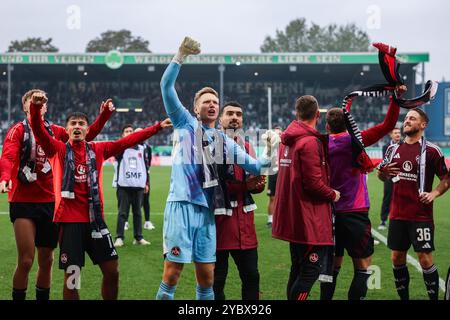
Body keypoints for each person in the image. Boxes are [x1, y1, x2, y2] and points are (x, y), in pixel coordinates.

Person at [156, 37, 274, 300]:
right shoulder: (185, 123)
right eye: (206, 101)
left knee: (207, 279)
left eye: (215, 102)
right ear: (196, 108)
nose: (212, 104)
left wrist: (270, 148)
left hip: (207, 213)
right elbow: (166, 86)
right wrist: (180, 56)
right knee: (172, 273)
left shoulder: (223, 141)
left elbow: (256, 165)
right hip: (182, 206)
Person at [29, 92, 172, 300]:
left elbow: (127, 141)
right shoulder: (56, 150)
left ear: (88, 130)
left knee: (112, 270)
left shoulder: (99, 149)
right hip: (70, 224)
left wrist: (156, 127)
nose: (77, 126)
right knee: (73, 277)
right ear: (66, 129)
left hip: (96, 221)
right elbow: (38, 130)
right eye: (73, 123)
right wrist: (35, 108)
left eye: (81, 123)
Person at [0, 89, 113, 300]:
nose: (40, 103)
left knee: (48, 260)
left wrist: (104, 116)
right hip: (23, 200)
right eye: (35, 101)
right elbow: (7, 155)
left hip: (51, 202)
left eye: (43, 100)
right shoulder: (18, 130)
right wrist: (5, 176)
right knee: (26, 260)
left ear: (47, 106)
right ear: (26, 106)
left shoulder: (56, 130)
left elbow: (86, 135)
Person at [320, 87, 404, 301]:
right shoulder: (356, 141)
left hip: (329, 212)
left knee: (331, 266)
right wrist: (396, 97)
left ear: (327, 126)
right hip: (355, 211)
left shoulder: (319, 144)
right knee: (363, 267)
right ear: (349, 124)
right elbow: (388, 125)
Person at [272, 95, 341, 300]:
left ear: (297, 113)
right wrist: (333, 194)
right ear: (318, 115)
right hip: (308, 219)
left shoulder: (287, 140)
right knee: (310, 270)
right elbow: (313, 184)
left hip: (293, 216)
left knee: (298, 267)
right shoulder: (310, 142)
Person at [377, 108, 448, 300]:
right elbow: (382, 175)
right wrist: (383, 173)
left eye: (412, 118)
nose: (407, 120)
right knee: (396, 258)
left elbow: (446, 178)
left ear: (423, 125)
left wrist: (434, 193)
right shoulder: (393, 149)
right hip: (398, 214)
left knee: (424, 259)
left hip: (420, 216)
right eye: (406, 118)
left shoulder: (432, 151)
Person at [213, 101, 266, 300]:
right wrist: (246, 186)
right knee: (217, 280)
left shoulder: (247, 145)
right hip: (219, 223)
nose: (235, 117)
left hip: (245, 223)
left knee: (252, 277)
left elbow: (252, 182)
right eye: (230, 113)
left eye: (239, 114)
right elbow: (213, 185)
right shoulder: (212, 144)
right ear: (221, 119)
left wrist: (257, 185)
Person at [113, 124, 151, 247]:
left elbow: (145, 167)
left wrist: (146, 183)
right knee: (122, 213)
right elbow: (116, 157)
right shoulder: (120, 148)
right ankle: (119, 237)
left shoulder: (141, 148)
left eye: (131, 131)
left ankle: (138, 238)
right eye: (126, 131)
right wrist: (125, 142)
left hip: (138, 186)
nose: (129, 132)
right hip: (124, 186)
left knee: (138, 213)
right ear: (122, 134)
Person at [379, 127, 402, 230]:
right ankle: (383, 221)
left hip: (401, 176)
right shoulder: (386, 147)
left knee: (401, 198)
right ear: (391, 135)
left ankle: (400, 220)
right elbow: (386, 161)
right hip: (389, 176)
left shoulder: (404, 145)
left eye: (399, 133)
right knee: (387, 197)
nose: (398, 134)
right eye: (395, 133)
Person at [135, 127, 155, 230]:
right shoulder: (131, 146)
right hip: (133, 177)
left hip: (145, 176)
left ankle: (147, 222)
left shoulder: (148, 147)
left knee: (146, 199)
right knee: (132, 200)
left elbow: (149, 163)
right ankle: (125, 222)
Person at [266, 126, 282, 229]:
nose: (278, 136)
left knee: (284, 197)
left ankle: (282, 219)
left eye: (279, 134)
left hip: (283, 173)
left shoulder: (286, 147)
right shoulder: (270, 147)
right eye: (276, 134)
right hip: (273, 173)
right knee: (272, 197)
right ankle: (270, 220)